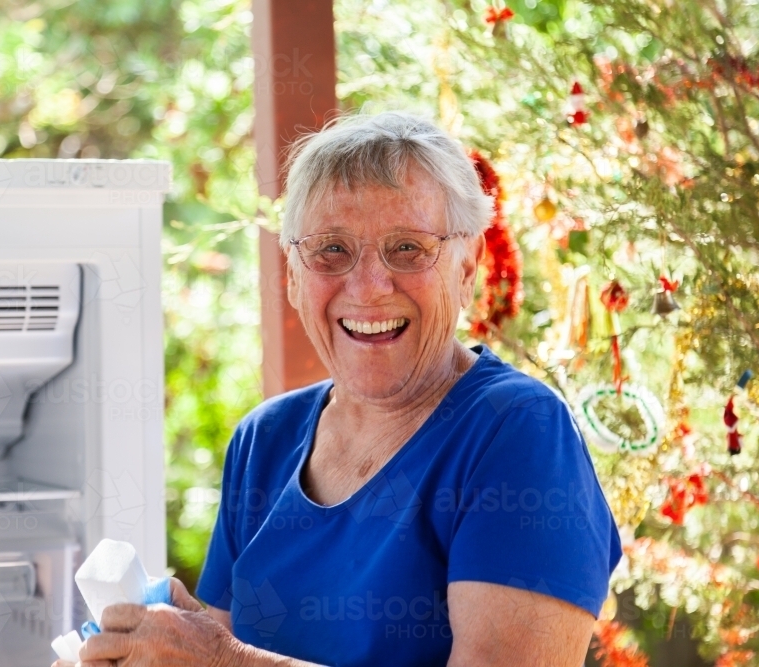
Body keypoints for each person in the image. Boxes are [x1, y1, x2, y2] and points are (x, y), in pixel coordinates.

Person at [57, 112, 622, 667]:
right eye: (332, 249)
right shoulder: (264, 440)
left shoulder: (516, 431)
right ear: (294, 275)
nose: (369, 287)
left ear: (467, 266)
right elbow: (220, 650)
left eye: (407, 248)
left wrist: (221, 661)